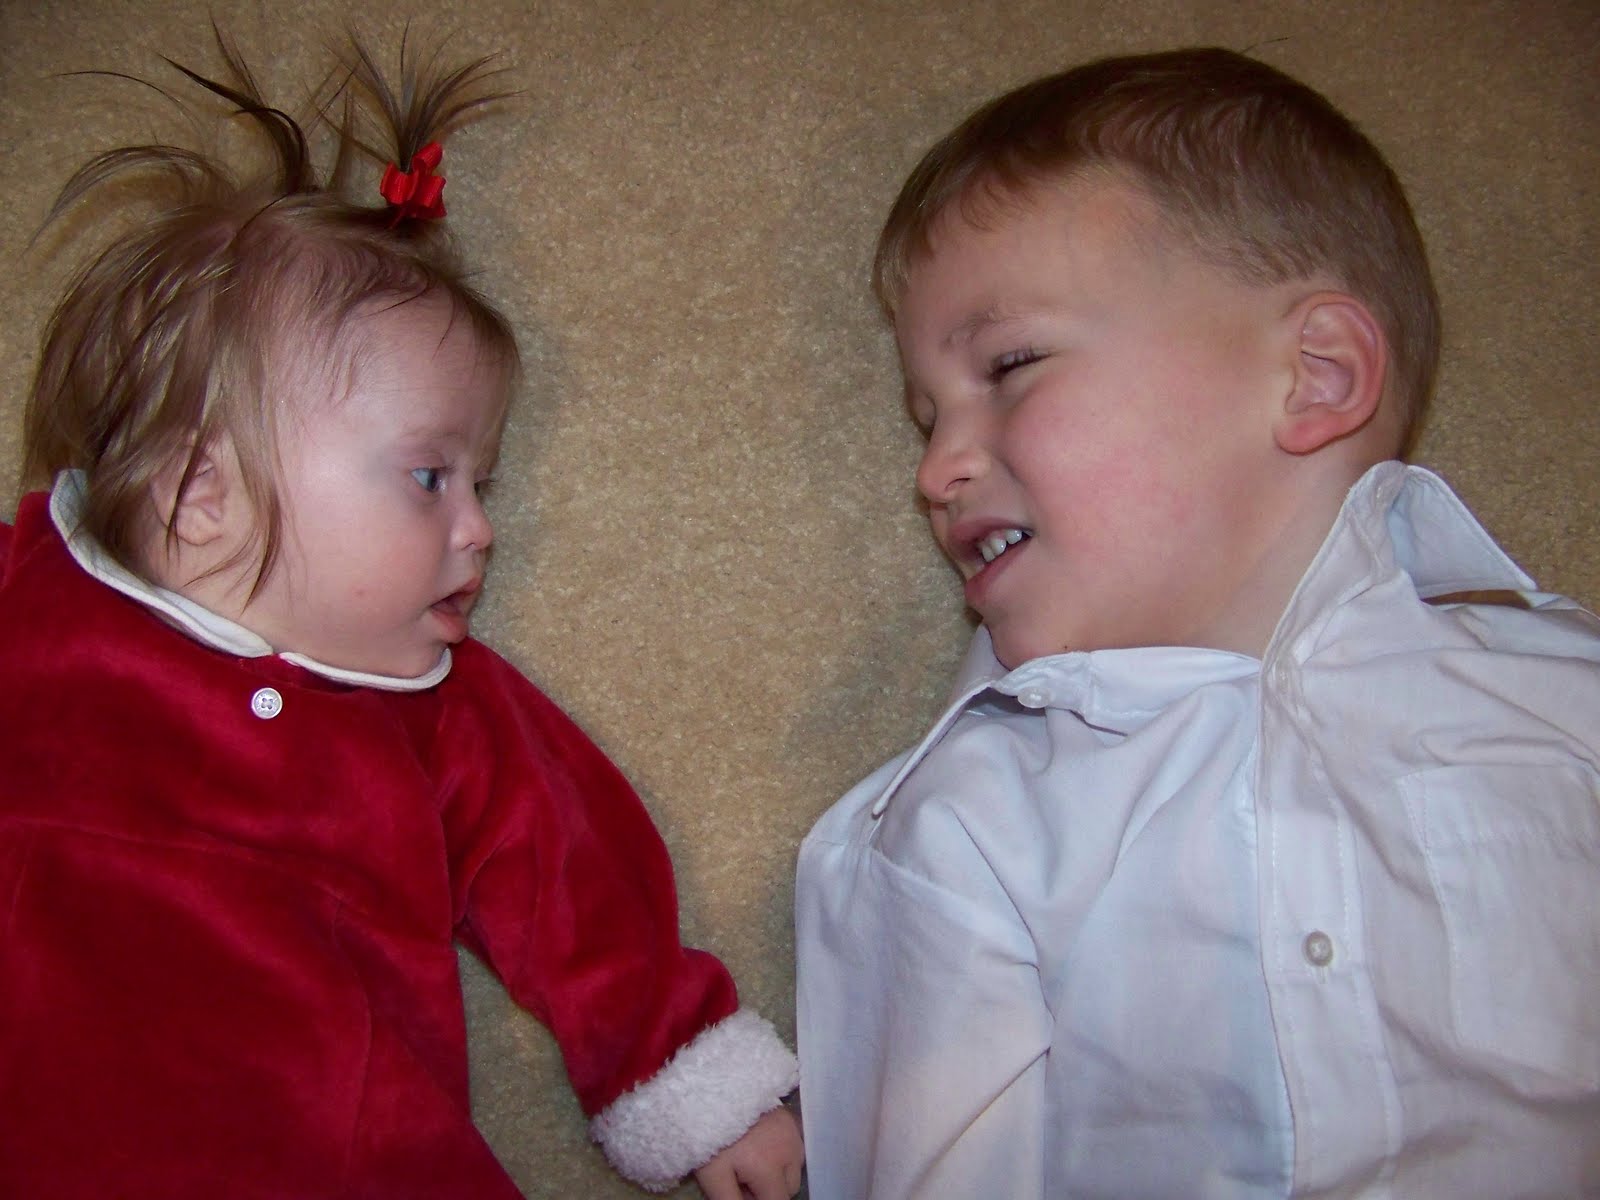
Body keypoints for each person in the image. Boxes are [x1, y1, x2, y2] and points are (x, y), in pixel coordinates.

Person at [0, 37, 801, 1200]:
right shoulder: (30, 603)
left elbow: (574, 882)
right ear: (200, 492)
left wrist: (686, 1076)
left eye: (484, 485)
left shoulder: (437, 702)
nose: (478, 528)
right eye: (432, 477)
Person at [794, 46, 1600, 1199]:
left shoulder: (1562, 704)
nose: (936, 469)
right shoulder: (970, 819)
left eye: (1009, 366)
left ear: (1316, 375)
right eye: (928, 418)